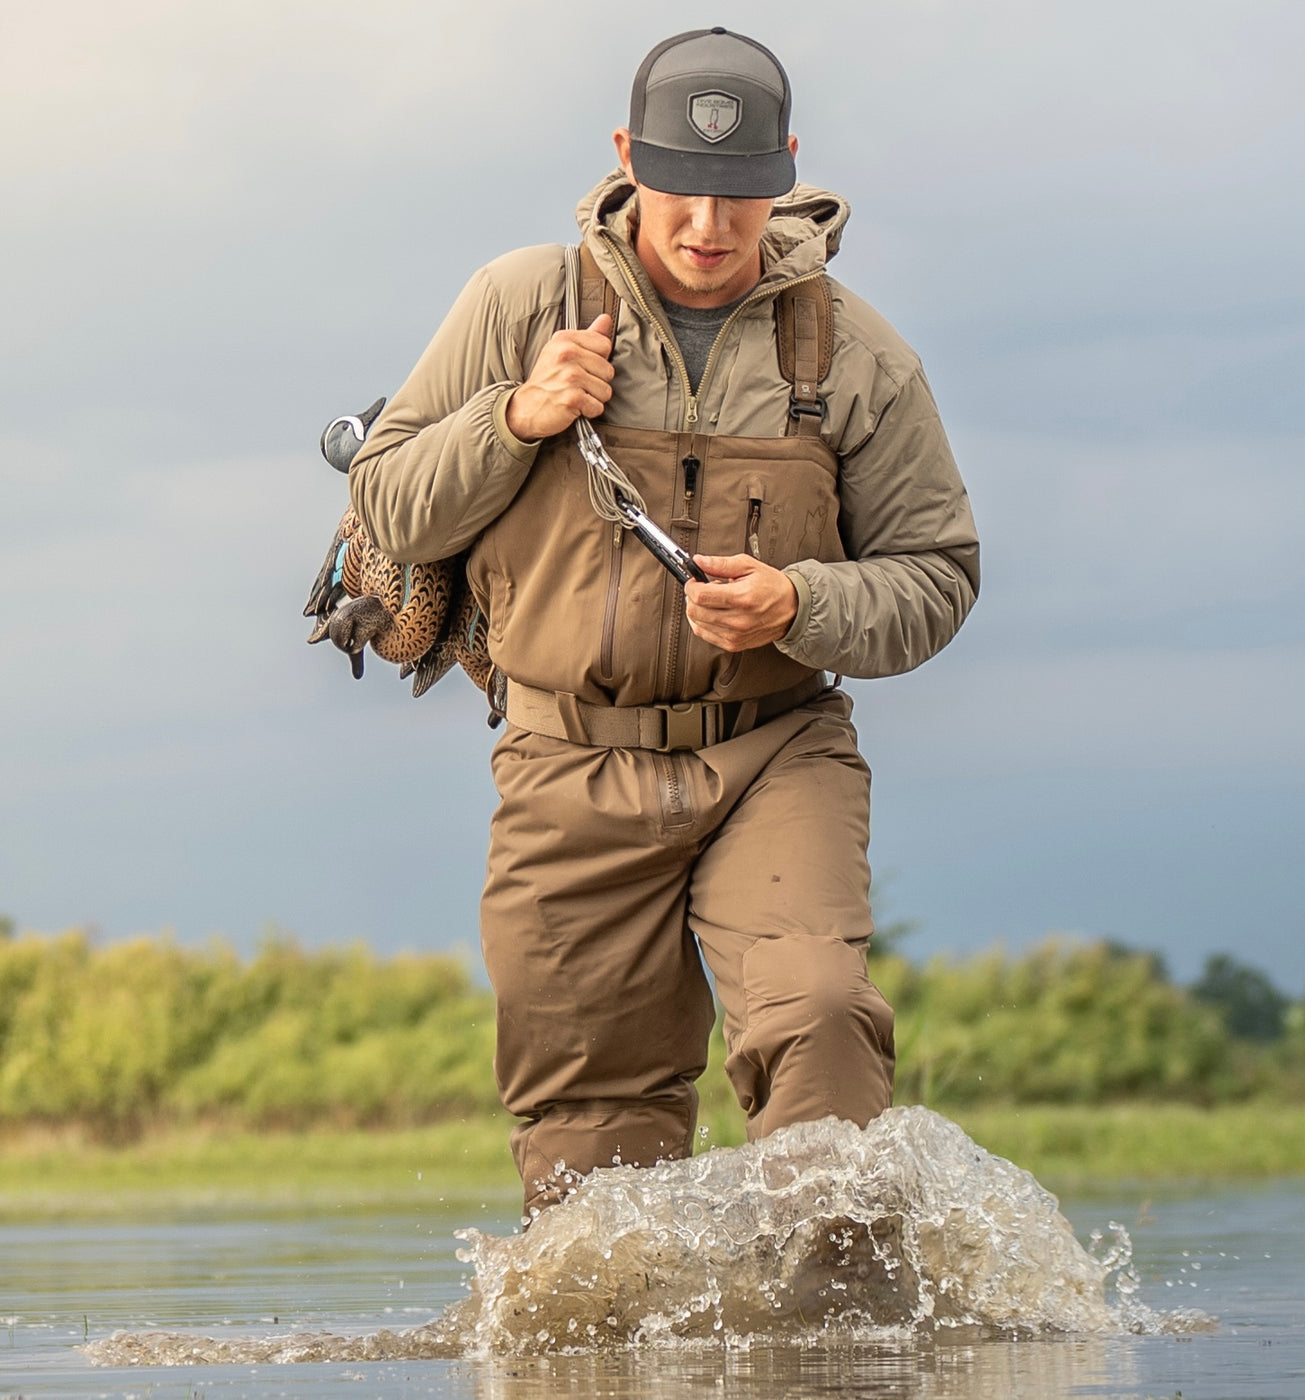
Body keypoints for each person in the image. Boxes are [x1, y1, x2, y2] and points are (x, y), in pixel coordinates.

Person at [349, 27, 979, 1216]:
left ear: (785, 170)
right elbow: (385, 499)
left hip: (772, 749)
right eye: (679, 190)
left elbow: (938, 576)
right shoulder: (516, 300)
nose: (706, 226)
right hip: (562, 759)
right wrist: (516, 417)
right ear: (625, 157)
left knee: (822, 1020)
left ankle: (840, 1344)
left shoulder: (857, 356)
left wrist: (805, 601)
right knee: (592, 1151)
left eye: (739, 195)